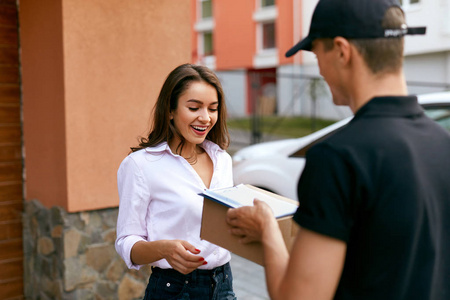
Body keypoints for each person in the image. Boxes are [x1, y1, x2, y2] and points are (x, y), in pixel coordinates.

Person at [226, 0, 450, 299]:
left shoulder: (337, 157)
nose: (319, 69)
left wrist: (268, 230)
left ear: (342, 51)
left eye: (317, 53)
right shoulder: (441, 141)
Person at [115, 63, 236, 300]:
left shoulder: (223, 160)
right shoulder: (141, 165)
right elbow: (126, 242)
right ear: (170, 110)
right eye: (194, 107)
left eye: (213, 108)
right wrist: (163, 249)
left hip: (223, 284)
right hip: (175, 289)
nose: (206, 117)